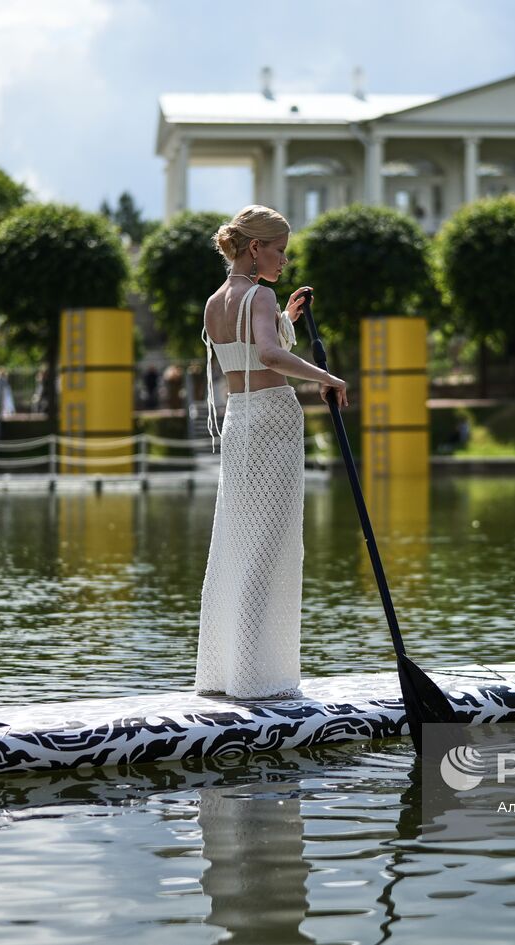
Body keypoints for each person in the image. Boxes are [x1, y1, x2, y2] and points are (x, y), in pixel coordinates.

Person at [195, 205, 349, 701]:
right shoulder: (260, 294)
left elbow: (247, 347)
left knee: (239, 539)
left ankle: (229, 672)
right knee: (274, 543)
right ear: (255, 247)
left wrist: (286, 320)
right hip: (274, 419)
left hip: (240, 420)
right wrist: (327, 377)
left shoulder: (216, 301)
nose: (284, 260)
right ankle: (261, 679)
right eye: (279, 250)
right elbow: (267, 354)